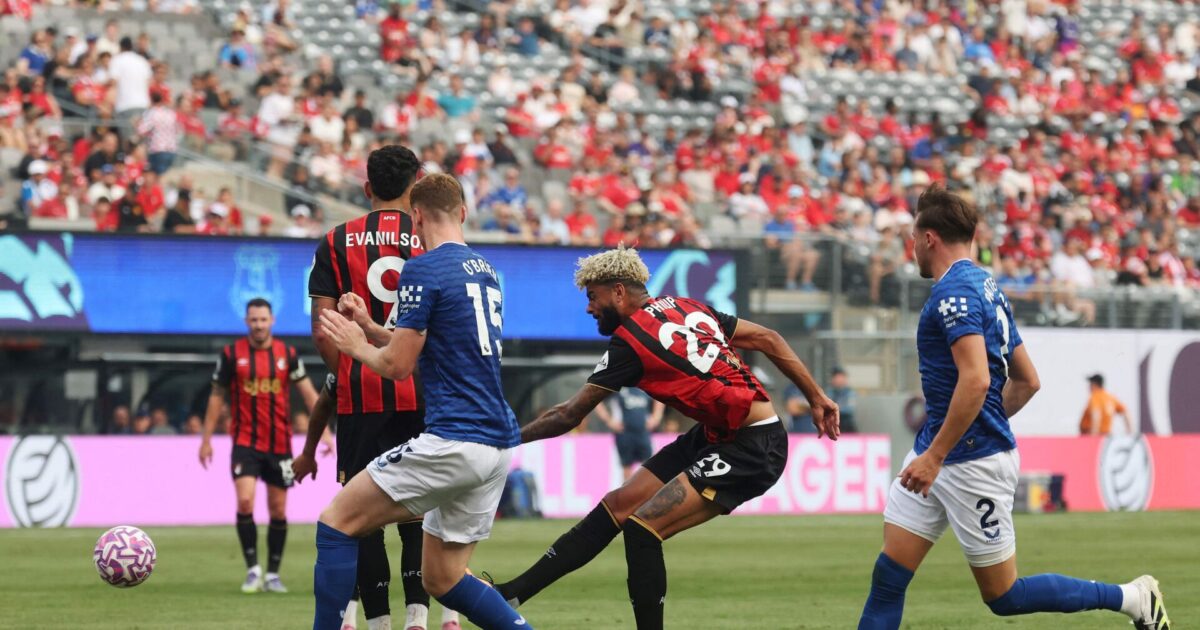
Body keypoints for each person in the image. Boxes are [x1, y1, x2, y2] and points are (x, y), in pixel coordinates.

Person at [856, 185, 1170, 629]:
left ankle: (1133, 598)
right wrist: (962, 433)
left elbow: (978, 379)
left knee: (1004, 596)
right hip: (943, 452)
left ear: (929, 238)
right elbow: (1028, 380)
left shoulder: (954, 295)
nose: (911, 248)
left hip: (967, 464)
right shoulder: (986, 286)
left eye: (912, 237)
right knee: (889, 576)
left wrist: (941, 453)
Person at [490, 246, 840, 629]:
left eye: (593, 297)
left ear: (619, 292)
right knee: (618, 505)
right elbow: (769, 338)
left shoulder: (629, 342)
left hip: (751, 445)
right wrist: (817, 397)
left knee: (642, 528)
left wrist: (506, 437)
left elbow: (568, 415)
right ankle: (512, 592)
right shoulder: (684, 306)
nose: (589, 308)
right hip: (717, 434)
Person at [313, 173, 528, 630]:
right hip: (498, 445)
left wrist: (354, 346)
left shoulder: (423, 268)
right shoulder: (485, 270)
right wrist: (371, 328)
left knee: (336, 522)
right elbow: (429, 343)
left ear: (416, 217)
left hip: (455, 439)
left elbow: (397, 367)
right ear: (464, 213)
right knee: (442, 578)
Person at [298, 145, 457, 630]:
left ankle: (378, 624)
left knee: (358, 515)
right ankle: (418, 621)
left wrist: (351, 371)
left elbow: (323, 327)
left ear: (367, 188)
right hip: (422, 393)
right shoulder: (428, 237)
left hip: (361, 394)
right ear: (416, 186)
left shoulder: (334, 240)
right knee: (418, 512)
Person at [199, 298, 320, 594]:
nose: (258, 325)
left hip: (280, 444)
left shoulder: (287, 355)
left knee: (278, 510)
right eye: (253, 320)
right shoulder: (231, 355)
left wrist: (325, 433)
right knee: (245, 502)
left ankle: (273, 574)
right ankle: (253, 569)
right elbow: (217, 397)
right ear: (246, 321)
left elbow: (308, 393)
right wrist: (206, 439)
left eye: (263, 320)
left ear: (272, 320)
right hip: (244, 442)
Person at [592, 388, 665, 480]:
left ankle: (646, 493)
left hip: (643, 432)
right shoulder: (619, 386)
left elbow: (660, 397)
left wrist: (656, 417)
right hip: (624, 433)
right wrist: (609, 421)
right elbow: (596, 400)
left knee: (649, 466)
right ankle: (629, 493)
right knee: (626, 467)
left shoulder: (644, 385)